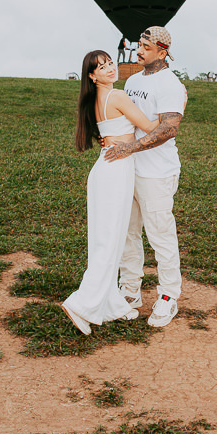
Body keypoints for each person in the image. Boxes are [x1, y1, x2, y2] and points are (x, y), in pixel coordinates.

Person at [61, 51, 161, 336]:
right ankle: (83, 304)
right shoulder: (116, 97)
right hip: (115, 173)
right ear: (92, 76)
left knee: (106, 241)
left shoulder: (93, 100)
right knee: (109, 244)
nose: (109, 68)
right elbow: (150, 127)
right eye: (101, 67)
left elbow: (111, 131)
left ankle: (112, 304)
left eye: (110, 63)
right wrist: (178, 108)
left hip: (105, 170)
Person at [104, 26, 186, 328]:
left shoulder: (171, 85)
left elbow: (168, 129)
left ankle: (168, 297)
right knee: (127, 231)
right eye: (139, 44)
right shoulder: (133, 80)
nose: (139, 51)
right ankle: (130, 290)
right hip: (128, 170)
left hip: (157, 172)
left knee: (160, 234)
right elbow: (127, 118)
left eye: (146, 47)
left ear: (162, 53)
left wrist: (132, 148)